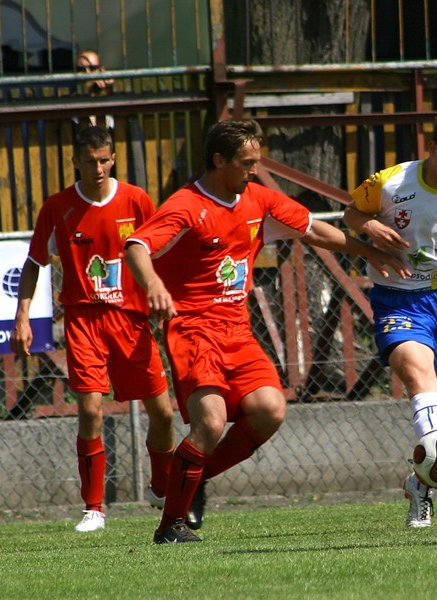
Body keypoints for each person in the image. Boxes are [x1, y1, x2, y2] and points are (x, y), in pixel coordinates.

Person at [124, 118, 410, 544]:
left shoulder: (256, 198)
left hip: (237, 330)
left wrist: (365, 247)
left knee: (271, 409)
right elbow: (136, 246)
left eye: (256, 162)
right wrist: (154, 286)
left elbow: (312, 228)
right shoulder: (186, 205)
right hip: (194, 330)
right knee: (211, 422)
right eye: (245, 163)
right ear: (218, 159)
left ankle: (187, 475)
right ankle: (171, 525)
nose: (253, 170)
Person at [10, 126, 175, 532]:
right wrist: (23, 315)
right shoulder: (58, 207)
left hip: (131, 320)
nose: (97, 167)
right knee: (89, 409)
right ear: (75, 162)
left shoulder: (137, 200)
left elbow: (159, 252)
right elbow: (35, 262)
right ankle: (95, 508)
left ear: (113, 158)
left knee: (165, 413)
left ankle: (160, 485)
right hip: (84, 319)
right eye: (89, 160)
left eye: (104, 159)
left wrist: (163, 295)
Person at [343, 108, 437, 528]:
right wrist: (370, 227)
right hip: (397, 299)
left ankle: (420, 483)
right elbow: (350, 216)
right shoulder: (391, 181)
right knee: (421, 381)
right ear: (431, 147)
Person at [74, 50, 115, 130]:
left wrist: (109, 89)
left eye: (92, 68)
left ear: (102, 70)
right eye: (81, 69)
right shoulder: (73, 101)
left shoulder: (113, 95)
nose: (87, 73)